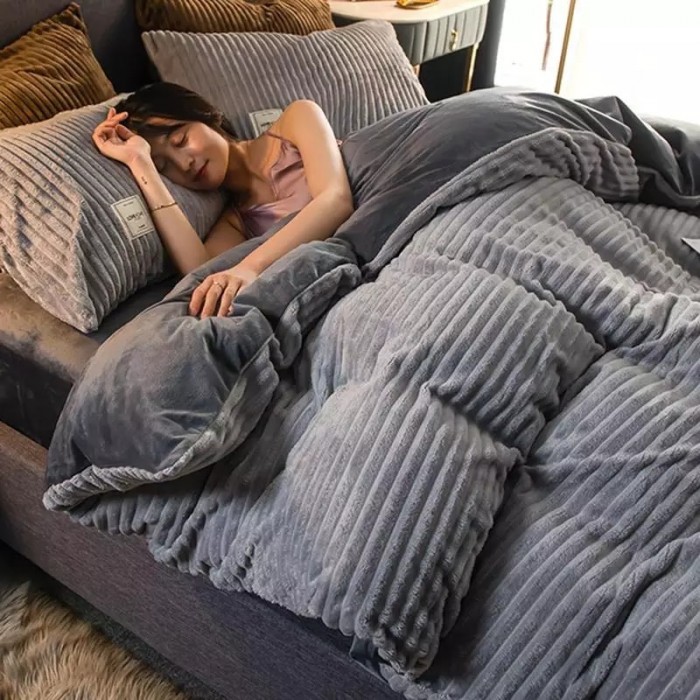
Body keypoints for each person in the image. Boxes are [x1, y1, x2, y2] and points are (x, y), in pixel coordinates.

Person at [92, 83, 353, 319]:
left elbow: (335, 199)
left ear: (205, 115)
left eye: (181, 141)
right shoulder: (235, 223)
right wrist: (141, 164)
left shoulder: (296, 119)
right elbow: (200, 273)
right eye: (164, 166)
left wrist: (250, 268)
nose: (184, 164)